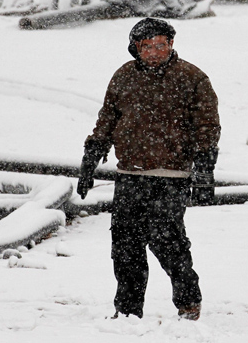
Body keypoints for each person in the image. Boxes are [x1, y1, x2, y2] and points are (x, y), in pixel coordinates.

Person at [76, 17, 221, 321]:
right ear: (136, 50)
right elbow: (107, 121)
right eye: (148, 46)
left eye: (161, 44)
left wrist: (204, 173)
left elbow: (207, 127)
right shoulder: (123, 78)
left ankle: (188, 301)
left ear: (171, 45)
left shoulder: (192, 78)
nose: (155, 51)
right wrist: (90, 160)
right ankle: (128, 310)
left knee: (167, 240)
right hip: (130, 175)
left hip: (172, 176)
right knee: (125, 246)